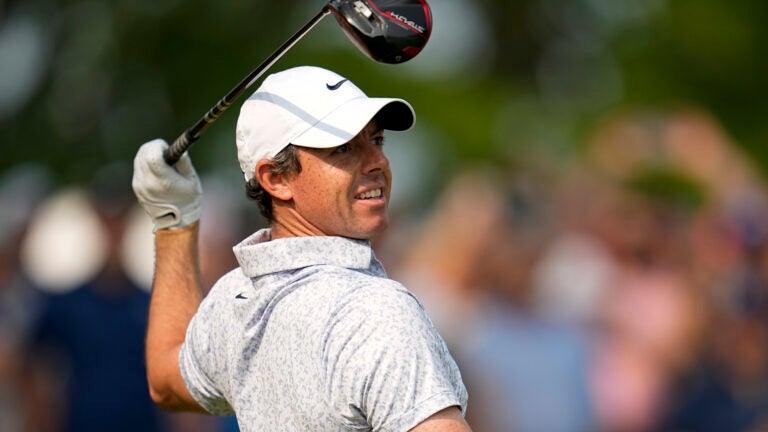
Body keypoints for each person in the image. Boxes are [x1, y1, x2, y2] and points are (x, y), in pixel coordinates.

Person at [131, 65, 470, 431]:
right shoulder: (374, 313)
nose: (379, 162)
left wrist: (174, 223)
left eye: (376, 140)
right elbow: (166, 384)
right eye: (343, 148)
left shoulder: (236, 301)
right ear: (276, 179)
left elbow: (165, 379)